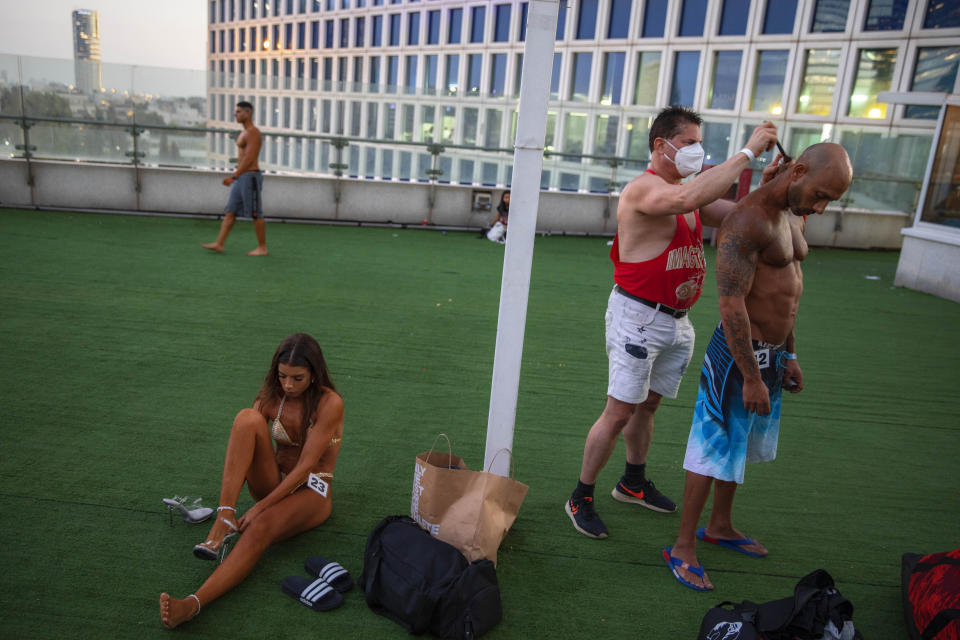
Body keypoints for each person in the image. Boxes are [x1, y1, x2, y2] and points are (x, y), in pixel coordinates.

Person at [565, 106, 778, 540]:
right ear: (661, 145)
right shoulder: (647, 190)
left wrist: (768, 187)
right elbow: (688, 200)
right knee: (620, 410)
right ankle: (580, 496)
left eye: (700, 143)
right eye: (689, 143)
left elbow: (736, 213)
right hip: (638, 318)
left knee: (648, 406)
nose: (697, 151)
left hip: (676, 321)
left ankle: (632, 482)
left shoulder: (688, 191)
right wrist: (747, 153)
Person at [663, 143, 853, 591]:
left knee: (741, 441)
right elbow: (731, 305)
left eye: (830, 201)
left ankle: (721, 525)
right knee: (712, 448)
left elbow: (789, 292)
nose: (822, 208)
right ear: (799, 171)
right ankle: (684, 545)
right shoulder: (747, 221)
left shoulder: (790, 211)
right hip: (737, 357)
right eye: (821, 195)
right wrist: (750, 374)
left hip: (771, 356)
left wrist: (789, 354)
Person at [160, 333, 344, 628]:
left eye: (298, 378)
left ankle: (193, 604)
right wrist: (232, 505)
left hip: (312, 492)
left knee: (259, 526)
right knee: (247, 418)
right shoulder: (273, 395)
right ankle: (225, 516)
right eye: (282, 376)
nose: (288, 385)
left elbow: (306, 467)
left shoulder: (329, 403)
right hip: (275, 483)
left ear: (314, 373)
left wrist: (260, 508)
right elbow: (244, 444)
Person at [202, 101, 267, 256]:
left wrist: (234, 176)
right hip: (241, 177)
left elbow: (250, 158)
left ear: (248, 113)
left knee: (256, 213)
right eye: (235, 111)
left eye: (238, 112)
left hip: (250, 177)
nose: (235, 114)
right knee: (231, 211)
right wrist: (237, 177)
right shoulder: (243, 132)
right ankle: (219, 244)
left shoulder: (253, 132)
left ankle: (262, 247)